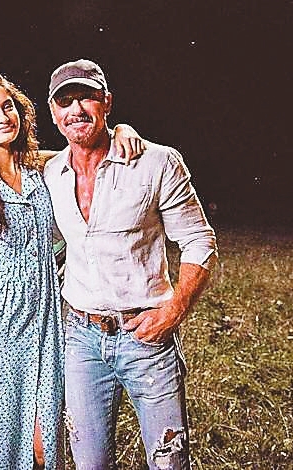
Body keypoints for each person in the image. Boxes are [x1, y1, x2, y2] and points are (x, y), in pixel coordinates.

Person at [0, 71, 145, 470]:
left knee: (43, 445)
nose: (2, 117)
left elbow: (86, 147)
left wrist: (122, 128)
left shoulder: (40, 167)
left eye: (7, 106)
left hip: (48, 321)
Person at [43, 59, 218, 470]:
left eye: (86, 97)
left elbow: (199, 240)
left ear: (107, 101)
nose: (76, 109)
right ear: (53, 113)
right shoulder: (52, 172)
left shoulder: (157, 163)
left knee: (168, 461)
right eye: (65, 101)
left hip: (146, 338)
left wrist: (174, 309)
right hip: (81, 339)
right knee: (90, 463)